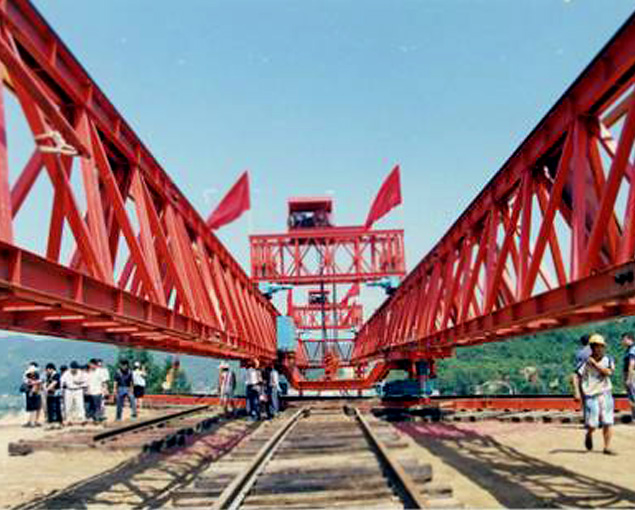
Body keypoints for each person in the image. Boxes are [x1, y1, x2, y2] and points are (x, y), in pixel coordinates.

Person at [576, 334, 615, 454]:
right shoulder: (585, 362)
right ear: (592, 348)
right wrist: (577, 392)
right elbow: (576, 375)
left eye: (601, 346)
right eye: (596, 346)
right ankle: (589, 433)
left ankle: (607, 447)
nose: (599, 349)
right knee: (593, 423)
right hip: (591, 395)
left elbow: (608, 372)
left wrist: (595, 364)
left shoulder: (608, 359)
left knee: (608, 421)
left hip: (605, 393)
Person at [61, 361, 87, 425]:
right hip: (68, 390)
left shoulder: (81, 373)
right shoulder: (66, 373)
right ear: (71, 368)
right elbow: (62, 382)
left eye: (76, 368)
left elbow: (85, 382)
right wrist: (62, 391)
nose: (75, 369)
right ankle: (68, 419)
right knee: (68, 405)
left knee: (80, 405)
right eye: (73, 368)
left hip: (78, 390)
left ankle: (82, 419)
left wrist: (79, 383)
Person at [572, 334, 591, 419]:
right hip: (592, 377)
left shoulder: (579, 353)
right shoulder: (594, 351)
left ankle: (587, 419)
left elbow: (576, 368)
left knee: (585, 400)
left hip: (581, 376)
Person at [44, 363, 63, 428]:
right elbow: (47, 383)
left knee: (56, 408)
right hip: (50, 394)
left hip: (55, 394)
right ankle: (51, 422)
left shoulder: (56, 375)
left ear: (51, 369)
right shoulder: (49, 375)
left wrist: (47, 389)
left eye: (47, 370)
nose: (47, 371)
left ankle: (58, 422)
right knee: (50, 408)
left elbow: (54, 383)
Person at [622, 332, 635, 419]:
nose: (622, 341)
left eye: (624, 339)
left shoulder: (632, 349)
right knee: (631, 396)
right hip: (629, 373)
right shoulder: (629, 349)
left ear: (630, 339)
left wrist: (629, 378)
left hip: (631, 374)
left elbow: (632, 364)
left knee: (633, 395)